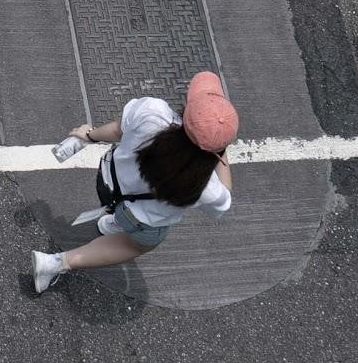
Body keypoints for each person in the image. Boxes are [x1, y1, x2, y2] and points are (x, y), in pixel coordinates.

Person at [30, 71, 238, 293]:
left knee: (120, 211)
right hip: (139, 218)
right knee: (136, 245)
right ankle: (54, 264)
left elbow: (117, 130)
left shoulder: (153, 112)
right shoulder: (207, 188)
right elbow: (225, 197)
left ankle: (114, 220)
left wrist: (88, 135)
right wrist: (219, 150)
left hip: (107, 182)